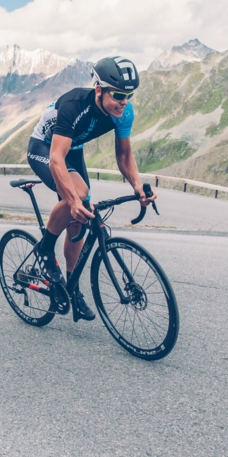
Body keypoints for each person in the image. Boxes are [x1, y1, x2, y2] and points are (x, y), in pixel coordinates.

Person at [26, 56, 156, 320]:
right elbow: (55, 160)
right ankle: (45, 247)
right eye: (118, 94)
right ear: (99, 89)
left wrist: (137, 186)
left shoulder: (123, 112)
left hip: (72, 150)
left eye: (129, 95)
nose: (124, 102)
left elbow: (124, 157)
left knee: (80, 221)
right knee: (80, 196)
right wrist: (73, 200)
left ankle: (72, 290)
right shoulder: (74, 106)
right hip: (45, 148)